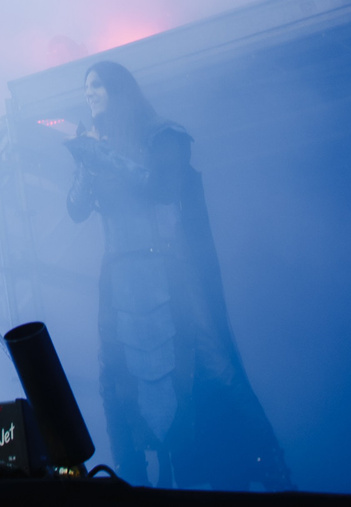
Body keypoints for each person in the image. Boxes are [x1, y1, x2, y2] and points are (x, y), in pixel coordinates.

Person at [63, 62, 290, 489]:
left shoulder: (161, 134)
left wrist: (101, 155)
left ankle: (272, 468)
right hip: (118, 279)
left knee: (213, 361)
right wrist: (86, 159)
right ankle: (132, 478)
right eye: (85, 87)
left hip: (168, 270)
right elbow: (76, 209)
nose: (88, 93)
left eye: (96, 85)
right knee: (114, 375)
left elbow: (160, 187)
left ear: (119, 89)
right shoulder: (96, 144)